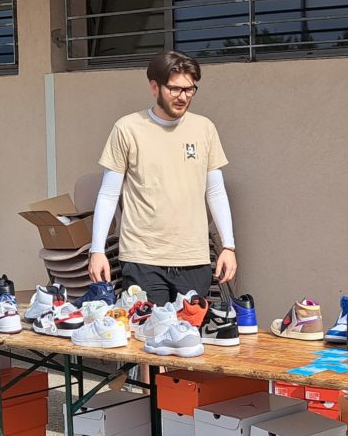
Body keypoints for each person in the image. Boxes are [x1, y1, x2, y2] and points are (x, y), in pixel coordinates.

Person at [88, 50, 237, 306]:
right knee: (146, 329)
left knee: (190, 330)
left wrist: (229, 246)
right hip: (142, 258)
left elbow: (215, 191)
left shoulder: (205, 128)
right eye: (175, 89)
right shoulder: (127, 128)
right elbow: (109, 193)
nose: (183, 97)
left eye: (190, 89)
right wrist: (97, 250)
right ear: (154, 87)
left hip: (193, 257)